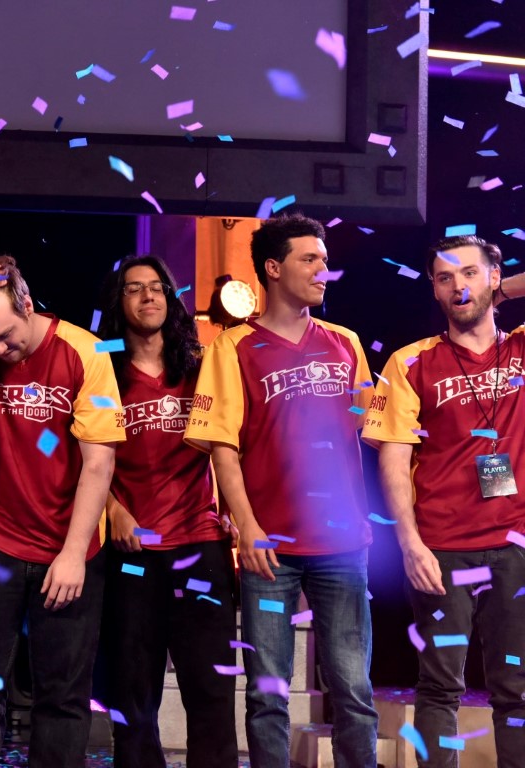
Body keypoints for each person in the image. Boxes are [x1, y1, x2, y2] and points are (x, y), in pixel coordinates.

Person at [183, 213, 378, 767]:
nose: (323, 270)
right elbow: (223, 447)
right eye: (309, 259)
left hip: (343, 544)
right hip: (270, 549)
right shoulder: (232, 347)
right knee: (268, 693)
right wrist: (247, 529)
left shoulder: (346, 343)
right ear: (273, 268)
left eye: (325, 259)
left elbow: (375, 432)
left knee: (353, 690)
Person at [0, 255, 125, 768]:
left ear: (27, 304)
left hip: (70, 543)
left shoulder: (86, 351)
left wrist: (73, 554)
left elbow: (99, 462)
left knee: (63, 696)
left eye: (7, 336)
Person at [363, 234, 525, 767]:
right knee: (439, 687)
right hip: (442, 548)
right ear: (432, 289)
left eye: (470, 273)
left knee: (517, 689)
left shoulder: (521, 347)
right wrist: (410, 545)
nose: (459, 286)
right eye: (445, 278)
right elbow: (392, 460)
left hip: (516, 544)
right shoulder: (410, 362)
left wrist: (497, 292)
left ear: (494, 277)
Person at [97, 255, 238, 768]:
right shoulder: (102, 370)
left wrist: (233, 509)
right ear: (118, 302)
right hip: (133, 552)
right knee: (133, 694)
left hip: (199, 545)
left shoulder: (201, 367)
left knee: (212, 690)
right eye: (134, 288)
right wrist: (112, 509)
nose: (148, 296)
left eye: (157, 287)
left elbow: (233, 444)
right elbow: (72, 454)